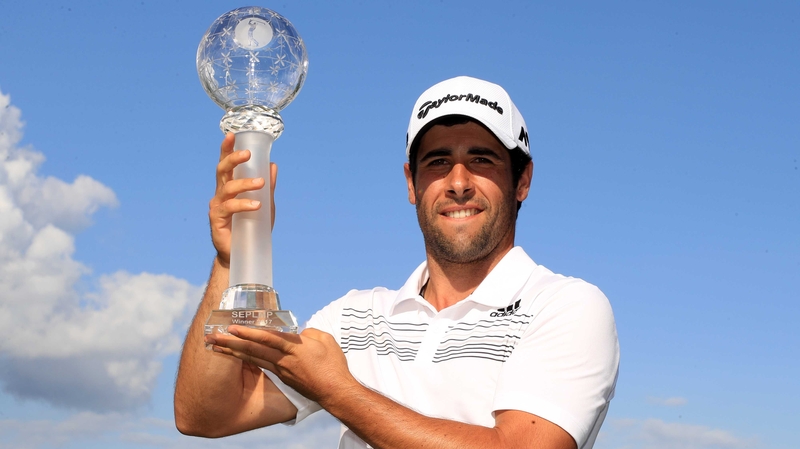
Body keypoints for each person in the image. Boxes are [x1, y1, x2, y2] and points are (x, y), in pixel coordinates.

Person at [174, 76, 620, 449]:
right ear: (411, 183)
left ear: (522, 180)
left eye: (481, 160)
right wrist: (231, 262)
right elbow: (205, 414)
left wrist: (337, 389)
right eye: (437, 162)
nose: (458, 183)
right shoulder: (355, 317)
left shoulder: (566, 306)